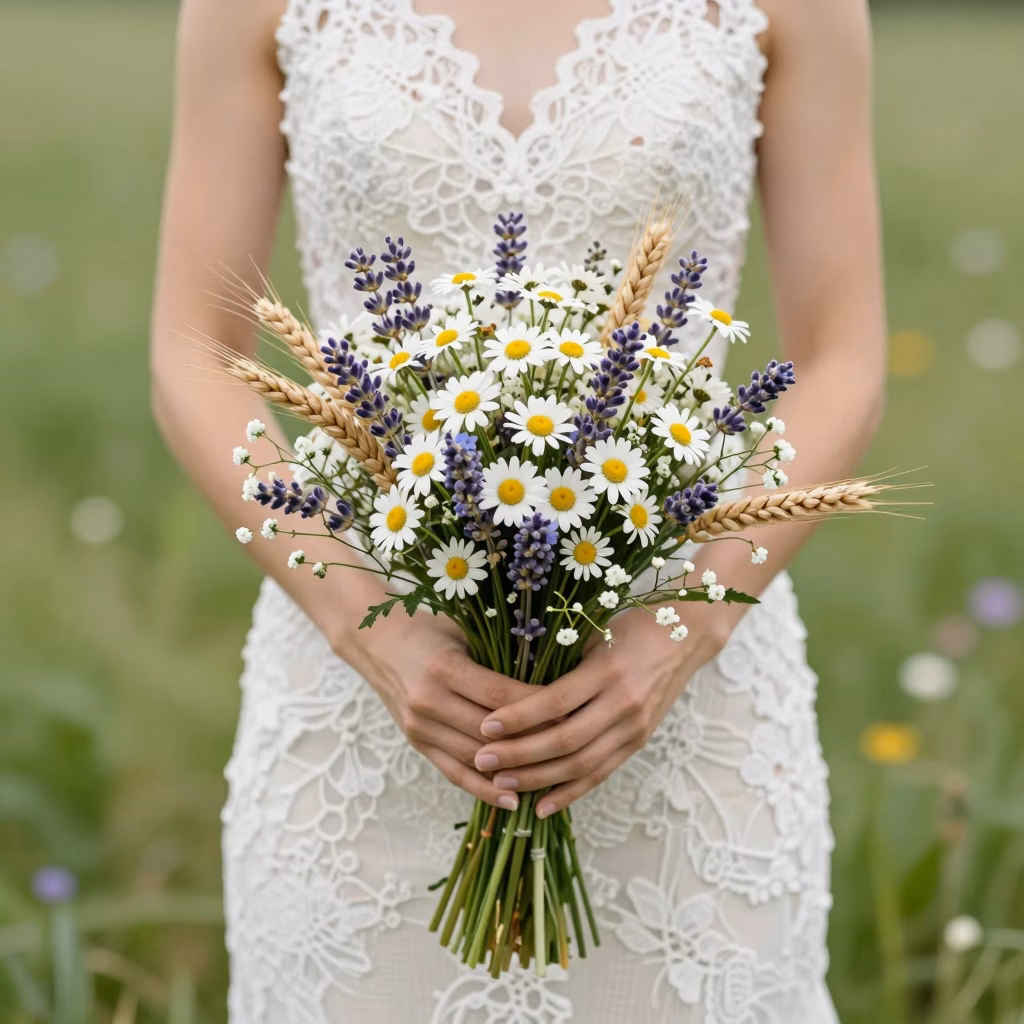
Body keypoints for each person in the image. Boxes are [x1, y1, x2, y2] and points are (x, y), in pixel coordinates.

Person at [150, 0, 886, 1019]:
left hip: (683, 706)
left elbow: (843, 356)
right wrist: (372, 631)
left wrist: (678, 631)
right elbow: (194, 349)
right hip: (360, 696)